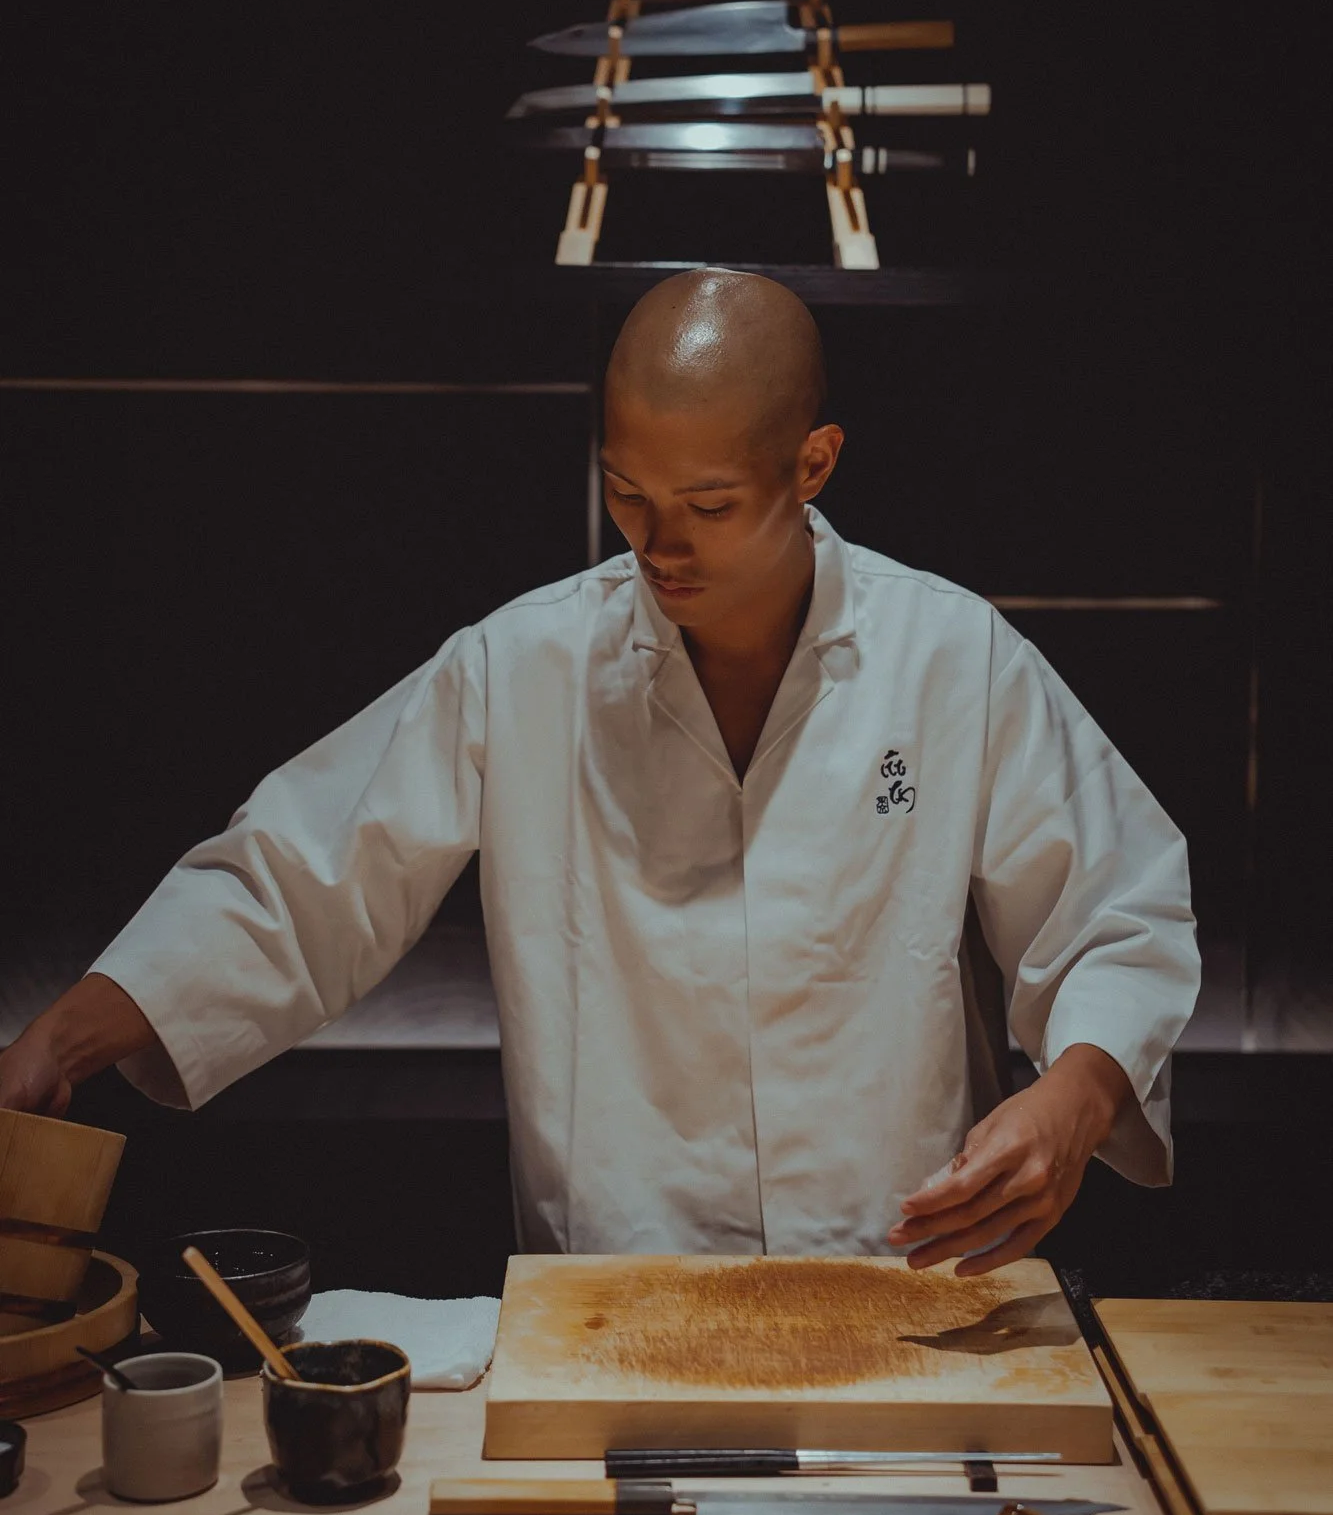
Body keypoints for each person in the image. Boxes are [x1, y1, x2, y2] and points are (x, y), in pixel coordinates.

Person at [0, 270, 1200, 1272]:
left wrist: (1077, 1091)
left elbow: (1115, 904)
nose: (657, 543)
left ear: (813, 463)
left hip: (898, 1267)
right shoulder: (524, 664)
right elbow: (306, 874)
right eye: (628, 491)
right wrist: (67, 1033)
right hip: (614, 1284)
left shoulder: (952, 656)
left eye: (707, 503)